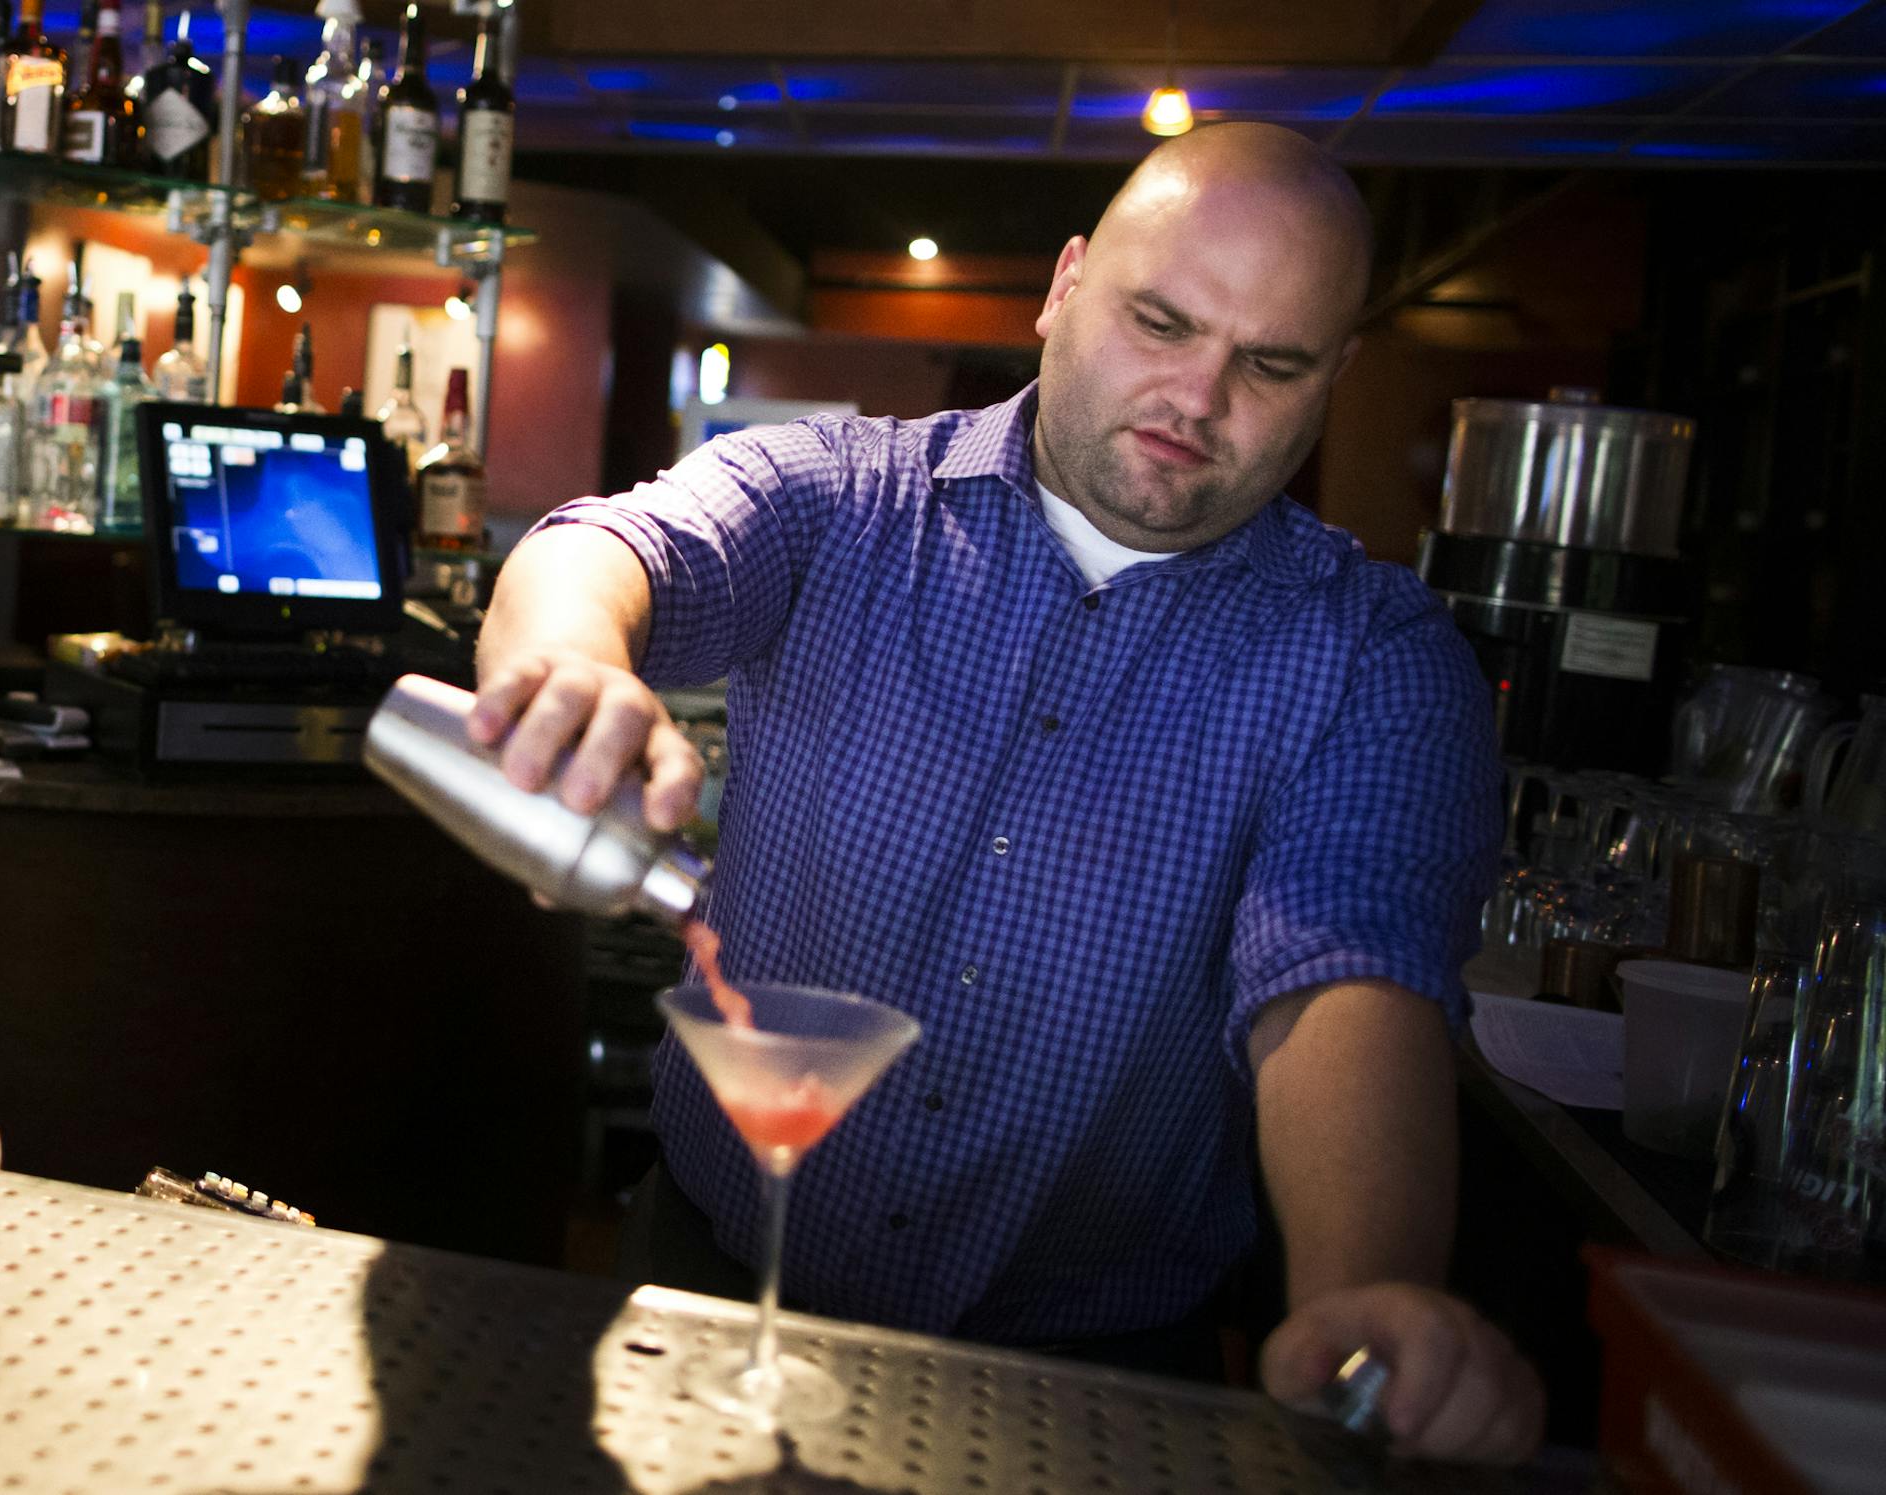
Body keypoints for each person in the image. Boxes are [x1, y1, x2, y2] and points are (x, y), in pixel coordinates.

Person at [472, 122, 1544, 1464]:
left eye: (1269, 365)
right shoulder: (845, 497)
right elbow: (617, 544)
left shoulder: (1374, 660)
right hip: (701, 1283)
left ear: (1338, 375)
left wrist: (1361, 1290)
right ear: (1064, 286)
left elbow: (1345, 979)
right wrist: (571, 664)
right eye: (1161, 323)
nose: (1196, 401)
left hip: (1097, 1392)